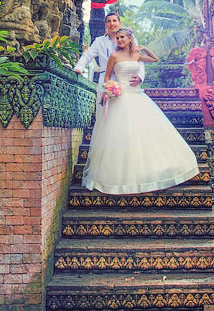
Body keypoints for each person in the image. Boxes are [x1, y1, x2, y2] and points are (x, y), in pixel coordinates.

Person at [80, 27, 199, 194]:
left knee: (144, 132)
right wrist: (109, 88)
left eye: (122, 37)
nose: (119, 40)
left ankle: (150, 172)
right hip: (120, 97)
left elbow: (155, 59)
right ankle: (119, 177)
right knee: (123, 135)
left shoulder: (136, 55)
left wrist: (143, 48)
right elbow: (107, 76)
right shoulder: (114, 56)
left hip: (137, 96)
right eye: (118, 38)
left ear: (129, 39)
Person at [74, 12, 143, 91]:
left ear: (119, 23)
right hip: (105, 82)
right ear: (105, 24)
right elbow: (88, 55)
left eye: (114, 21)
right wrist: (79, 67)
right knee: (104, 103)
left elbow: (139, 59)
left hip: (127, 82)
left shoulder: (130, 40)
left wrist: (140, 76)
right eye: (109, 21)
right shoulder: (99, 41)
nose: (112, 23)